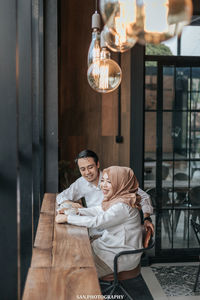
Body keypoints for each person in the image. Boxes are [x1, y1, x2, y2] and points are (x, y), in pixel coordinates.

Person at [56, 166, 144, 278]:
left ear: (121, 183)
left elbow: (97, 222)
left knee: (72, 274)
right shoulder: (119, 199)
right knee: (70, 257)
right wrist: (76, 211)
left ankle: (85, 294)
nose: (103, 185)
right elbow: (99, 210)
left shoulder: (122, 206)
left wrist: (67, 218)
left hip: (117, 257)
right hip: (108, 248)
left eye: (109, 182)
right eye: (103, 181)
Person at [56, 149, 154, 233]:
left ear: (97, 164)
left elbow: (144, 197)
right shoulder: (81, 183)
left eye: (90, 167)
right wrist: (71, 206)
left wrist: (147, 218)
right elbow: (99, 210)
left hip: (111, 230)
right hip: (95, 228)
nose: (87, 172)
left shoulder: (115, 180)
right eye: (83, 169)